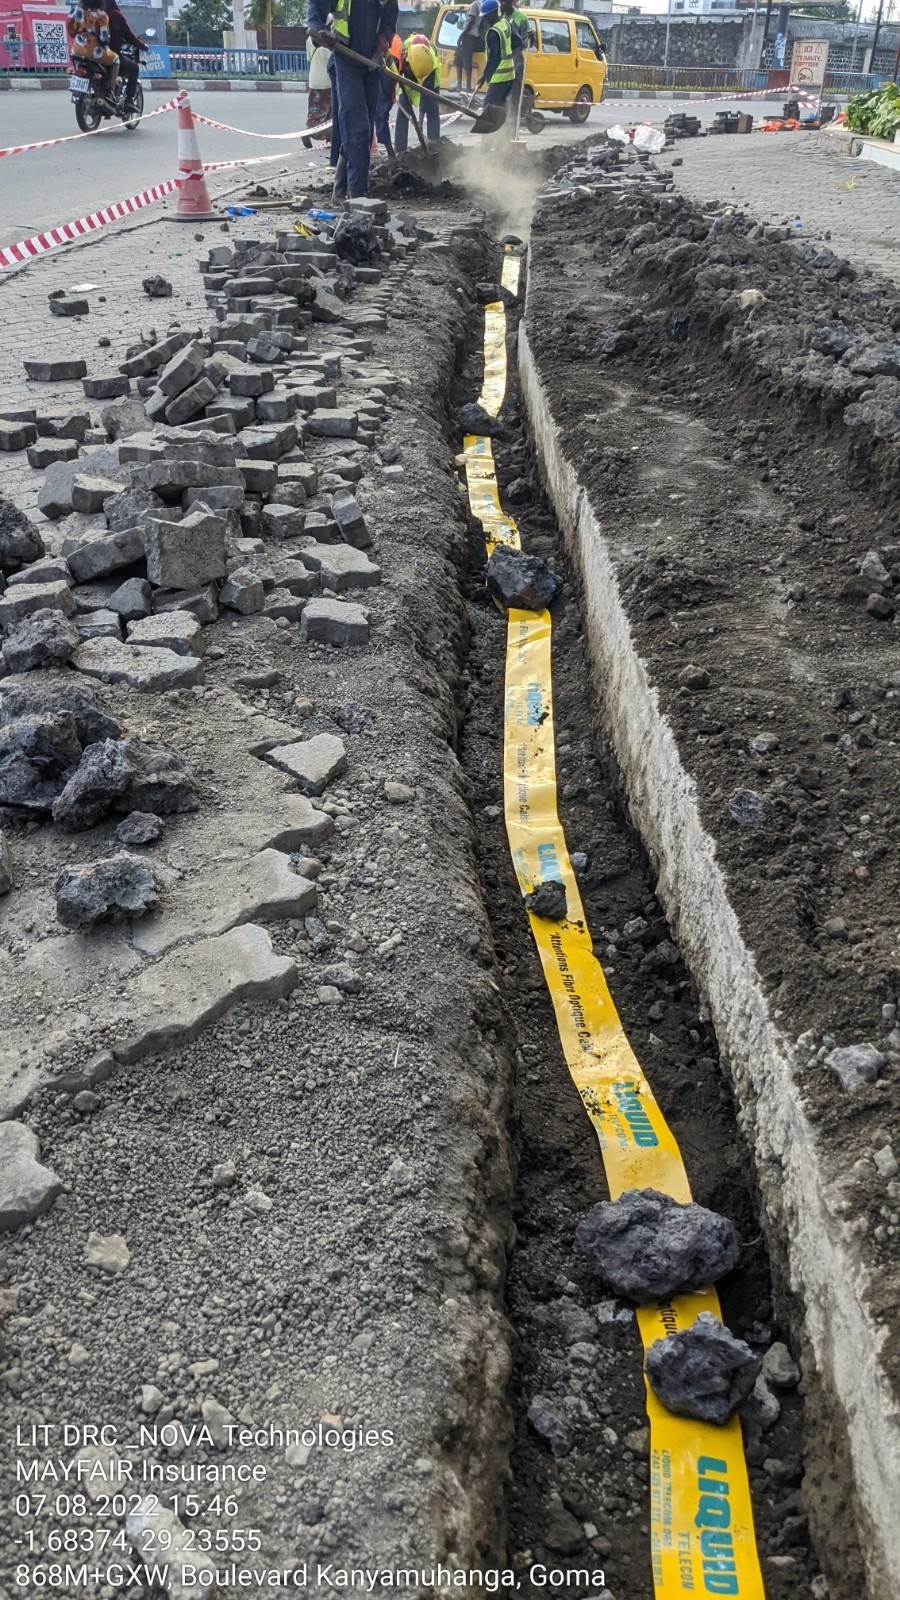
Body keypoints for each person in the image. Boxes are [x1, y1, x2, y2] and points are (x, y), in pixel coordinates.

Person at [306, 0, 399, 203]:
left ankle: (339, 192)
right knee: (357, 128)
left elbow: (389, 22)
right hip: (346, 59)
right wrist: (321, 31)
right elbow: (316, 5)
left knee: (363, 132)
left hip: (371, 64)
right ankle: (358, 197)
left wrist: (379, 50)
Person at [395, 32, 440, 154]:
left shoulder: (429, 64)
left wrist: (419, 123)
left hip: (429, 80)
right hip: (407, 80)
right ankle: (400, 151)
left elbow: (425, 97)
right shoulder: (404, 50)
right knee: (402, 110)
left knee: (432, 109)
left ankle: (434, 146)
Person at [66, 2, 118, 107]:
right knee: (116, 59)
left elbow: (71, 31)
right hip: (93, 51)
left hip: (76, 49)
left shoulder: (75, 10)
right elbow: (104, 37)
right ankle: (110, 90)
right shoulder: (101, 15)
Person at [473, 0, 514, 124]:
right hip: (509, 76)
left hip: (499, 77)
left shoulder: (493, 33)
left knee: (489, 108)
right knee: (499, 108)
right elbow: (517, 42)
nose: (484, 19)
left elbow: (494, 59)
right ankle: (501, 138)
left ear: (494, 12)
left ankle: (487, 140)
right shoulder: (505, 24)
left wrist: (485, 77)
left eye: (486, 16)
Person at [105, 0, 145, 115]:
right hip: (109, 55)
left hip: (90, 53)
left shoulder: (92, 14)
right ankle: (128, 100)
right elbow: (129, 35)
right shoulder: (114, 15)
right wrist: (142, 45)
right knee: (134, 68)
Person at [374, 32, 402, 160]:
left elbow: (392, 62)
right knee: (379, 115)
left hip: (386, 78)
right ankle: (390, 153)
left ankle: (391, 154)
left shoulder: (392, 41)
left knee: (380, 115)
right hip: (385, 76)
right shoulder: (393, 38)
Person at [500, 0, 528, 123]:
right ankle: (499, 124)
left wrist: (528, 39)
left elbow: (525, 42)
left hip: (515, 65)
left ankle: (511, 126)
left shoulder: (521, 19)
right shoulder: (498, 17)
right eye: (499, 1)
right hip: (500, 67)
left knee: (513, 98)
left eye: (504, 1)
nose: (501, 4)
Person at [303, 36, 333, 147]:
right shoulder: (331, 39)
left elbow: (310, 58)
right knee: (329, 111)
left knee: (314, 108)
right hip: (328, 79)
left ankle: (309, 129)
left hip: (314, 79)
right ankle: (329, 139)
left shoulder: (309, 40)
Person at [454, 0, 481, 94]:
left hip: (468, 36)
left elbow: (471, 20)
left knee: (465, 61)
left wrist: (462, 34)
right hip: (473, 37)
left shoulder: (475, 4)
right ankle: (461, 85)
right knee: (459, 59)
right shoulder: (480, 4)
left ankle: (466, 86)